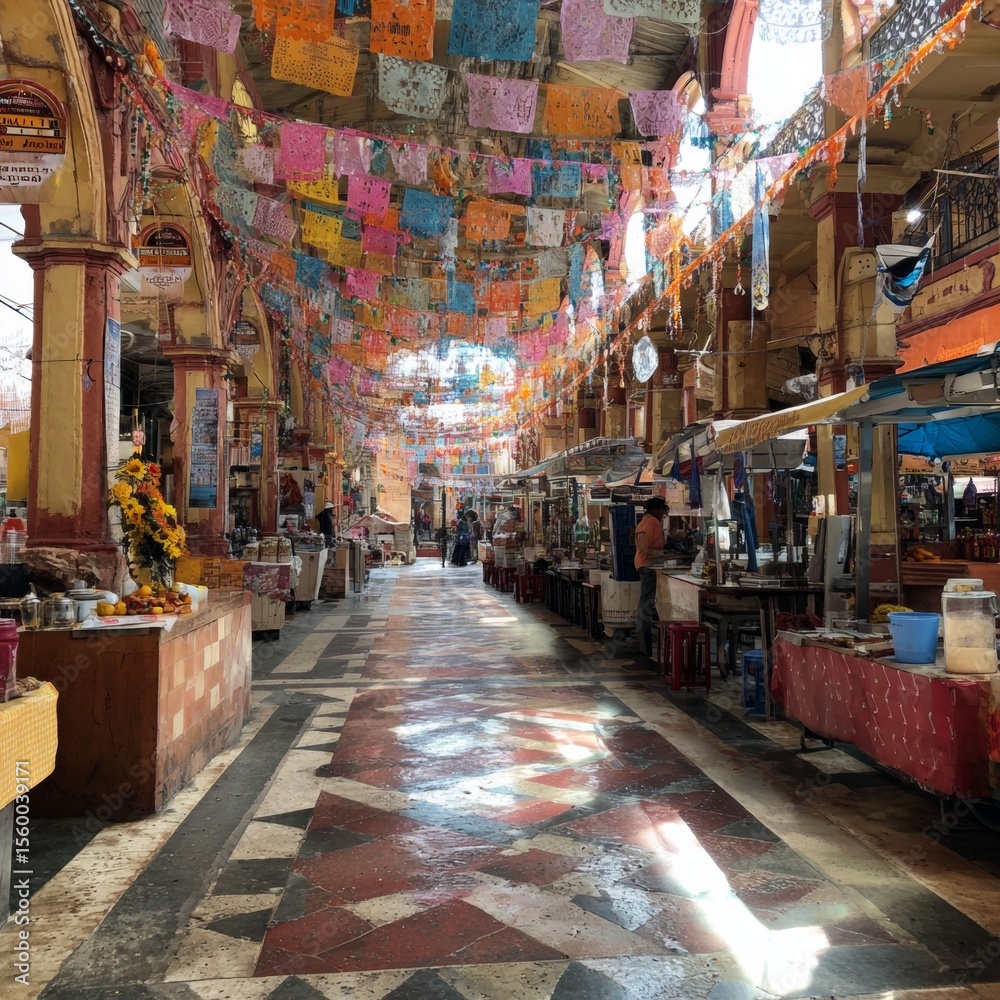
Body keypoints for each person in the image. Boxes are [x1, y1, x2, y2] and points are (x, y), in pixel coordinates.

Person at [634, 496, 668, 659]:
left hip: (645, 565)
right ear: (656, 510)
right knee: (646, 604)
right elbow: (642, 541)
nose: (663, 513)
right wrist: (647, 555)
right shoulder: (652, 521)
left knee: (646, 603)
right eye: (663, 510)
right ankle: (644, 644)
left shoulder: (645, 520)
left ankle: (644, 643)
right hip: (648, 566)